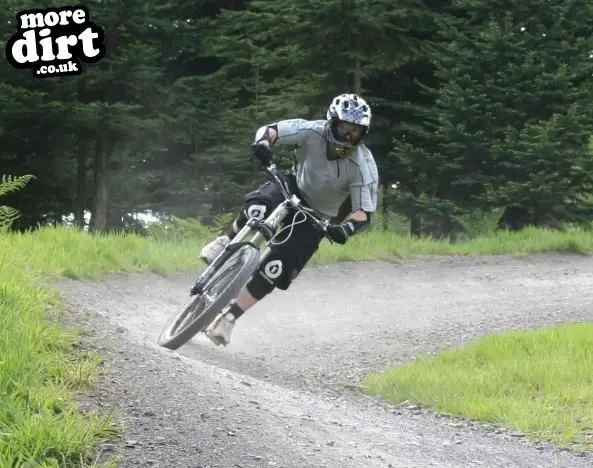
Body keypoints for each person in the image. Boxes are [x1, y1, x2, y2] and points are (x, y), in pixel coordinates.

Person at [201, 93, 379, 346]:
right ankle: (225, 240)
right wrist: (263, 143)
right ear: (331, 122)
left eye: (356, 132)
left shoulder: (364, 165)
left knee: (276, 269)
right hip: (293, 186)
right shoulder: (312, 131)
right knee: (257, 209)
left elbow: (364, 211)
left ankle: (229, 318)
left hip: (319, 216)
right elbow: (273, 130)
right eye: (344, 128)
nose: (348, 137)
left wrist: (347, 229)